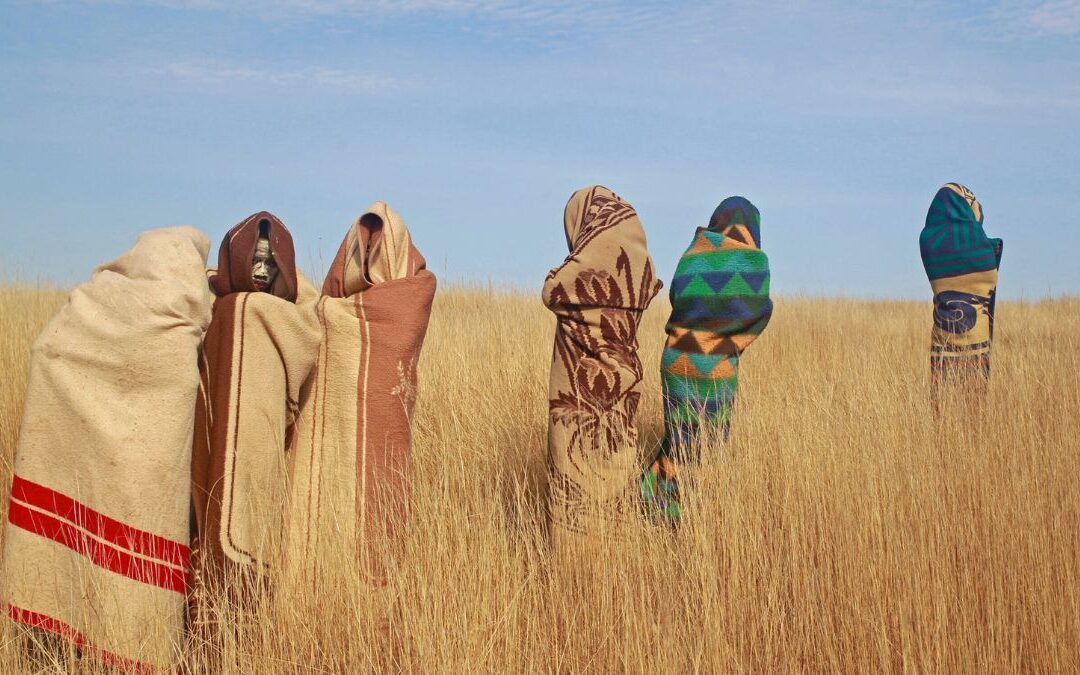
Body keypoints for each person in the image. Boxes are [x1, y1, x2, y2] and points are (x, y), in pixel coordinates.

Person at [0, 227, 213, 671]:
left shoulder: (95, 301)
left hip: (136, 471)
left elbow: (47, 351)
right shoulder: (189, 320)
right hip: (142, 478)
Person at [286, 202, 436, 583]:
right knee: (328, 490)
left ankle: (370, 598)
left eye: (379, 247)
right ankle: (323, 583)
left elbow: (387, 328)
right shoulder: (329, 309)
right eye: (364, 247)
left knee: (381, 496)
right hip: (334, 425)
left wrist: (328, 313)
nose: (370, 256)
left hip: (385, 428)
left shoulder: (411, 295)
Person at [189, 212, 320, 623]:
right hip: (208, 436)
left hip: (262, 449)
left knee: (254, 527)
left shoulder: (293, 314)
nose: (262, 271)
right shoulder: (212, 306)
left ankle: (250, 628)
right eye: (255, 260)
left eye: (270, 263)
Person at [543, 185, 662, 548]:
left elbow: (552, 291)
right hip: (624, 382)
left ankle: (576, 561)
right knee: (615, 463)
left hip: (579, 389)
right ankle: (614, 556)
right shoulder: (641, 266)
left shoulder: (582, 269)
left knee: (575, 468)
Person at [641, 197, 773, 523]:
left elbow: (676, 297)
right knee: (705, 452)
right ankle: (680, 519)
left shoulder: (694, 253)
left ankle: (653, 504)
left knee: (679, 441)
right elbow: (760, 313)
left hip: (676, 358)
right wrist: (728, 339)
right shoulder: (754, 262)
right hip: (717, 367)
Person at [918, 183, 1003, 410]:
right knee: (973, 407)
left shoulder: (928, 241)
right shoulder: (977, 244)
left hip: (942, 343)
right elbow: (990, 268)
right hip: (976, 339)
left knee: (943, 407)